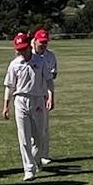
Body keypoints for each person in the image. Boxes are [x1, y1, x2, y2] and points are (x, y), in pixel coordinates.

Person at [2, 32, 54, 181]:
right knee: (23, 136)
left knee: (38, 136)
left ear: (29, 46)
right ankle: (28, 169)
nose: (22, 52)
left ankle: (36, 159)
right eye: (19, 50)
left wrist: (51, 97)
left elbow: (49, 80)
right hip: (20, 100)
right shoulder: (14, 64)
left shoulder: (41, 61)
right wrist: (6, 105)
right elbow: (9, 86)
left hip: (37, 100)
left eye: (24, 49)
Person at [31, 29, 58, 165]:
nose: (43, 45)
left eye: (45, 43)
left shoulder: (50, 56)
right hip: (30, 94)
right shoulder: (28, 54)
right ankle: (32, 156)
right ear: (35, 41)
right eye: (41, 42)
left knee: (44, 127)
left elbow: (52, 75)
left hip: (43, 94)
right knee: (30, 128)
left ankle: (44, 154)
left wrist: (50, 96)